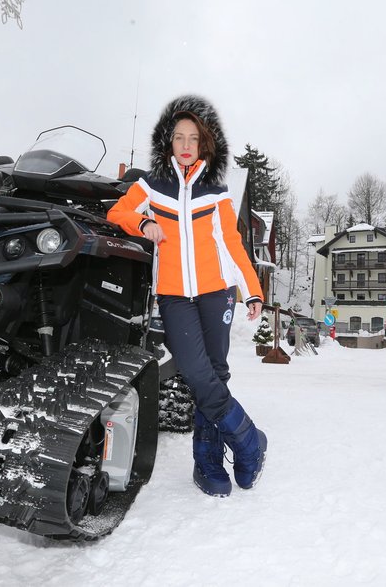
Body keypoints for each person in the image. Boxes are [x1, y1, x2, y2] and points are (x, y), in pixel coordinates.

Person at [106, 95, 267, 498]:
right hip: (174, 296)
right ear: (168, 141)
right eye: (178, 137)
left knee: (215, 371)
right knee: (196, 373)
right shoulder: (151, 184)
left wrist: (252, 291)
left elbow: (232, 243)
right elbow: (117, 213)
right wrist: (143, 222)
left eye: (193, 138)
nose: (185, 144)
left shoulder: (215, 189)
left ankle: (208, 463)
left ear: (205, 143)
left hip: (217, 293)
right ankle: (248, 439)